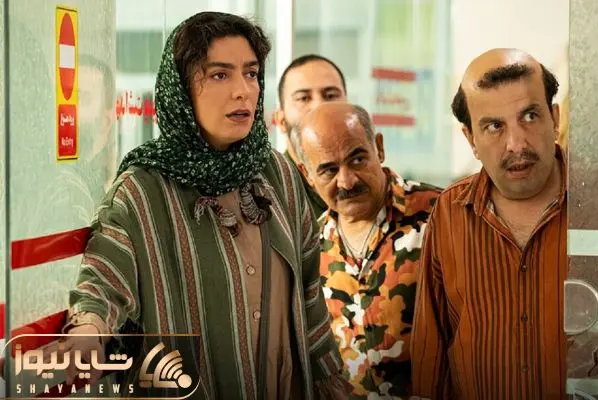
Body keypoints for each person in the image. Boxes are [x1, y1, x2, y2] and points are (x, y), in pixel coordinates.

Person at [50, 12, 351, 399]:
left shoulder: (277, 174)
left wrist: (330, 382)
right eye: (220, 75)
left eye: (251, 73)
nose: (243, 91)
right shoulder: (144, 190)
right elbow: (104, 280)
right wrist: (87, 332)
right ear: (181, 88)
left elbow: (310, 295)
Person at [411, 48, 567, 399]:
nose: (516, 144)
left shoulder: (594, 204)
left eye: (530, 116)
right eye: (494, 126)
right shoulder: (450, 212)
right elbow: (431, 355)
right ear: (471, 139)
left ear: (554, 119)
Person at [296, 102, 441, 398]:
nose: (347, 181)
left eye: (358, 159)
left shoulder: (440, 215)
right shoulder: (308, 247)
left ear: (379, 148)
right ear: (307, 174)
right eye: (328, 170)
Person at [274, 54, 348, 218]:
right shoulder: (267, 194)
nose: (319, 106)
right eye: (303, 98)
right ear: (280, 120)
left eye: (331, 95)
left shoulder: (369, 180)